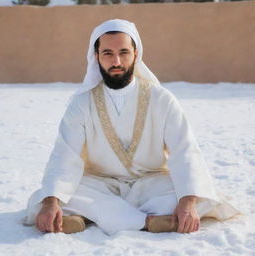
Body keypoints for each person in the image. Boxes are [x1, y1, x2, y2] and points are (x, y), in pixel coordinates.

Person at [25, 19, 238, 235]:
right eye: (107, 53)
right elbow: (65, 154)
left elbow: (184, 150)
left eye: (124, 52)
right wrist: (52, 201)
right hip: (100, 183)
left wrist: (188, 200)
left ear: (136, 54)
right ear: (96, 56)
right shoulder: (81, 103)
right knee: (43, 199)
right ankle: (149, 222)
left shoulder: (162, 99)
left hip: (151, 183)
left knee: (200, 197)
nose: (116, 61)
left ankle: (87, 216)